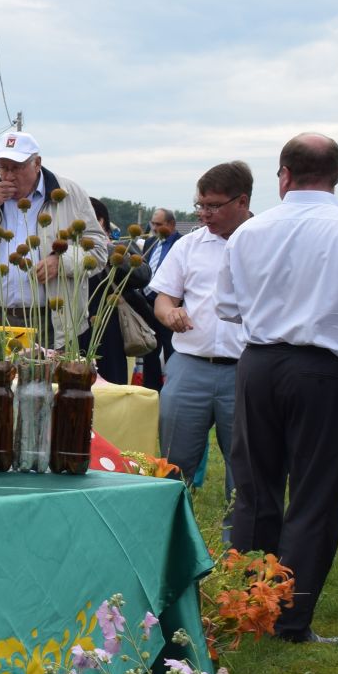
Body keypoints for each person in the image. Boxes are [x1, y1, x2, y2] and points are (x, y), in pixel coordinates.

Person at [220, 133, 338, 644]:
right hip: (325, 368)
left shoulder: (250, 234)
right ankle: (290, 619)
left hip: (259, 363)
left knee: (255, 489)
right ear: (337, 176)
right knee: (315, 496)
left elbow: (230, 309)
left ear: (284, 174)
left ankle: (249, 609)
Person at [152, 161, 251, 500]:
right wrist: (171, 314)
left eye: (213, 206)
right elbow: (163, 299)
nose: (204, 213)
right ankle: (173, 540)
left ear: (242, 201)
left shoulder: (264, 242)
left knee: (246, 470)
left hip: (245, 369)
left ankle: (239, 548)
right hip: (190, 365)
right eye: (200, 205)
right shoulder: (188, 245)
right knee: (173, 467)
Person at [0, 130, 106, 341]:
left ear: (37, 163)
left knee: (45, 374)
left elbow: (99, 250)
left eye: (16, 168)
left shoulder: (70, 194)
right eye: (3, 167)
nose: (8, 176)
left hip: (51, 321)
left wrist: (62, 262)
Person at [86, 196, 152, 382]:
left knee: (111, 386)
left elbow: (143, 276)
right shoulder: (73, 251)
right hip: (76, 331)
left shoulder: (120, 247)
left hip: (110, 334)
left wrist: (105, 250)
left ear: (100, 221)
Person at [134, 207, 180, 388]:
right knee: (149, 351)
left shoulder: (180, 243)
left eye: (159, 224)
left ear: (171, 224)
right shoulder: (150, 242)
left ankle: (172, 389)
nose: (154, 228)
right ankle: (151, 392)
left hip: (170, 305)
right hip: (147, 305)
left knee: (171, 351)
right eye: (152, 224)